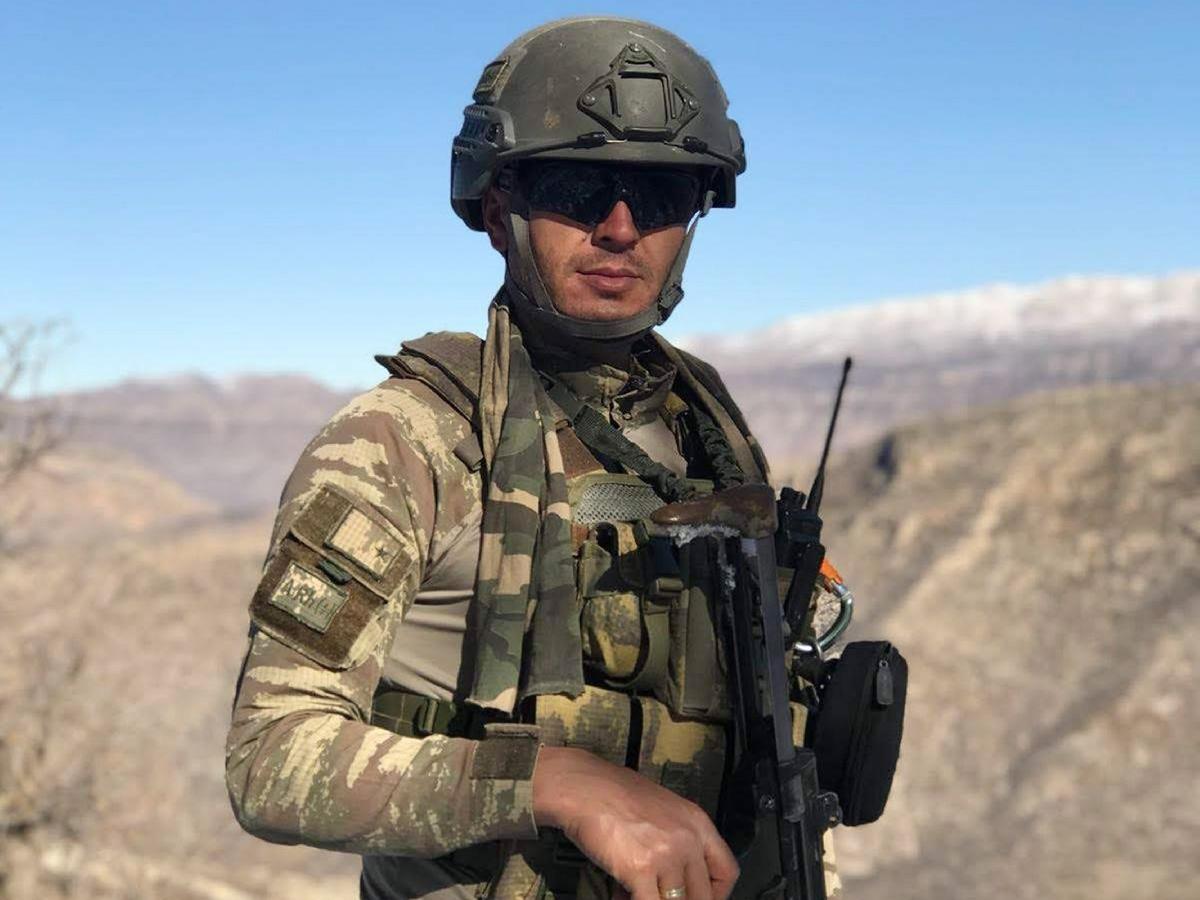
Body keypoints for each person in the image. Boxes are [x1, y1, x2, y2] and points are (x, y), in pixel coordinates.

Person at [225, 16, 840, 900]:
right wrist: (555, 783)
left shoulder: (706, 429)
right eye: (578, 188)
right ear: (495, 209)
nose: (621, 228)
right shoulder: (409, 440)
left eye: (661, 196)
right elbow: (270, 757)